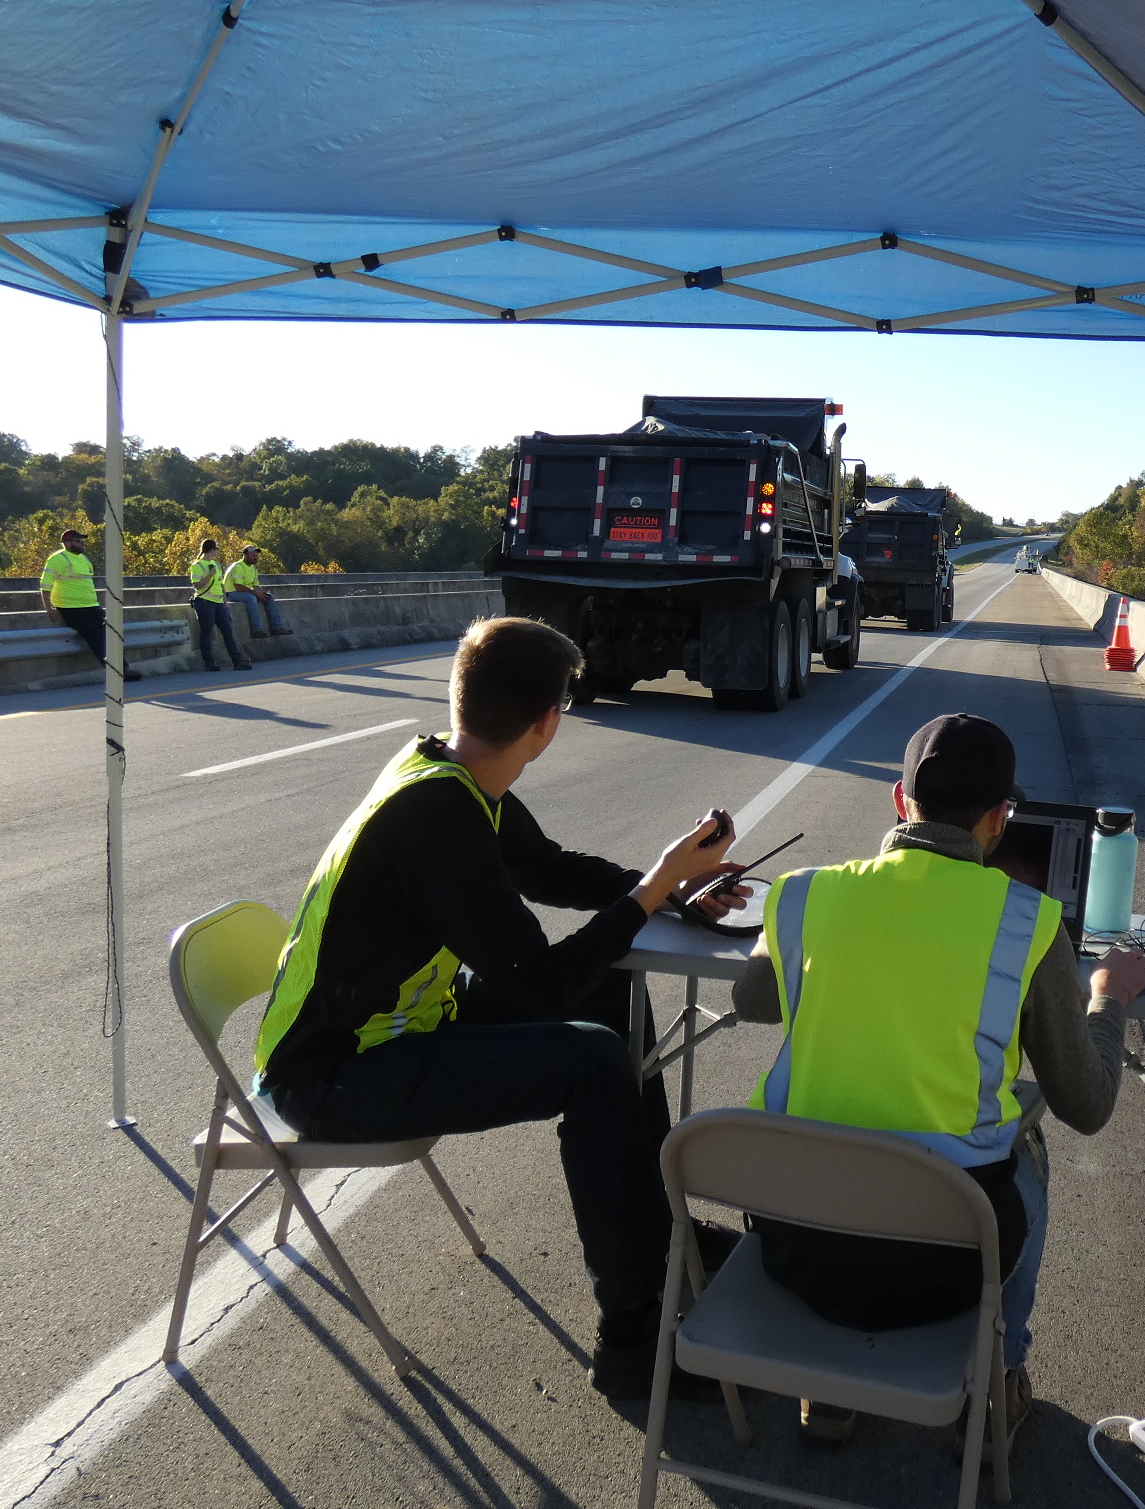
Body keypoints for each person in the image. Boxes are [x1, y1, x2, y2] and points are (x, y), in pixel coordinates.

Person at [252, 616, 749, 1396]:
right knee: (586, 1060)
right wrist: (652, 889)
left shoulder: (447, 770)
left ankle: (655, 1232)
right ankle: (632, 1336)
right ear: (548, 725)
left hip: (398, 1028)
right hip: (335, 1075)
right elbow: (540, 986)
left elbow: (544, 867)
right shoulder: (437, 815)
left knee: (612, 985)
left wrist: (674, 890)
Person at [731, 712, 1145, 1448]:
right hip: (943, 1267)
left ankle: (829, 1385)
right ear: (1000, 818)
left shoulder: (806, 895)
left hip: (794, 1245)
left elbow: (751, 1001)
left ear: (900, 801)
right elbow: (1086, 1105)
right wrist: (1108, 998)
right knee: (1028, 1145)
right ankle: (998, 1382)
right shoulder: (1029, 923)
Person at [38, 526, 142, 682]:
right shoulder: (58, 559)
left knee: (111, 635)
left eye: (82, 541)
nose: (82, 543)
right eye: (78, 541)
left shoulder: (83, 559)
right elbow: (46, 585)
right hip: (71, 608)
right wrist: (49, 608)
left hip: (91, 605)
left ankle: (123, 669)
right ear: (66, 543)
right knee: (97, 638)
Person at [187, 538, 251, 672]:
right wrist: (209, 575)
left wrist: (225, 603)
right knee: (207, 633)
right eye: (217, 549)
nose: (217, 552)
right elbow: (197, 585)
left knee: (228, 632)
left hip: (219, 603)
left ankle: (237, 662)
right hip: (204, 602)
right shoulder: (197, 565)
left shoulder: (216, 565)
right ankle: (209, 663)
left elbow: (221, 585)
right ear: (211, 549)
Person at [224, 543, 292, 640]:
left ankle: (277, 628)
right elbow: (238, 586)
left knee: (269, 597)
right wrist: (256, 594)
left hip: (245, 592)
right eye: (253, 555)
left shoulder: (253, 569)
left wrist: (261, 594)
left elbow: (256, 586)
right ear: (245, 555)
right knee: (251, 598)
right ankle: (257, 630)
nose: (255, 557)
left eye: (256, 555)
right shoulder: (238, 566)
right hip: (231, 593)